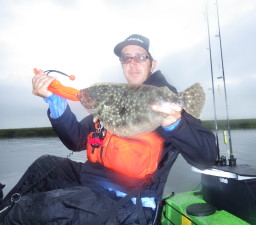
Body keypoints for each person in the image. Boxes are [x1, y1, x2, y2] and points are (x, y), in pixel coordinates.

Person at [0, 34, 217, 225]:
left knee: (26, 209)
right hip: (92, 182)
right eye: (126, 58)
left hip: (126, 200)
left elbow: (207, 157)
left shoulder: (166, 102)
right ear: (122, 64)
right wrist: (55, 103)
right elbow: (75, 140)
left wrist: (175, 123)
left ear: (152, 63)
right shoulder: (115, 97)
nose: (133, 63)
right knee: (44, 165)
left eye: (140, 57)